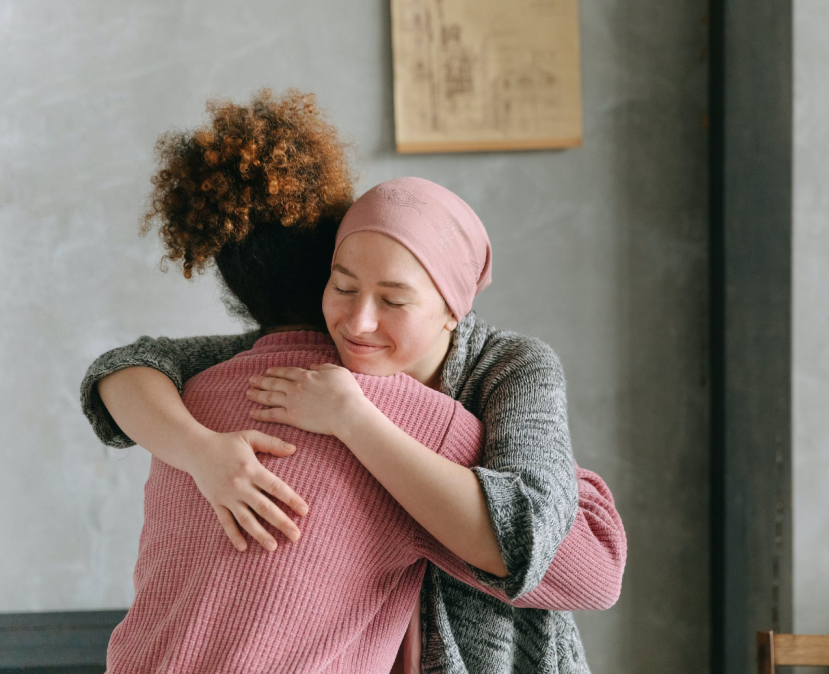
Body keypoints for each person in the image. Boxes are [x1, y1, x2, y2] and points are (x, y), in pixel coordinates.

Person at [81, 90, 626, 674]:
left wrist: (355, 418)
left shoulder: (508, 369)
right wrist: (204, 453)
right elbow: (128, 365)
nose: (359, 322)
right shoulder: (298, 363)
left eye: (393, 300)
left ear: (453, 309)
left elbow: (555, 550)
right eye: (342, 288)